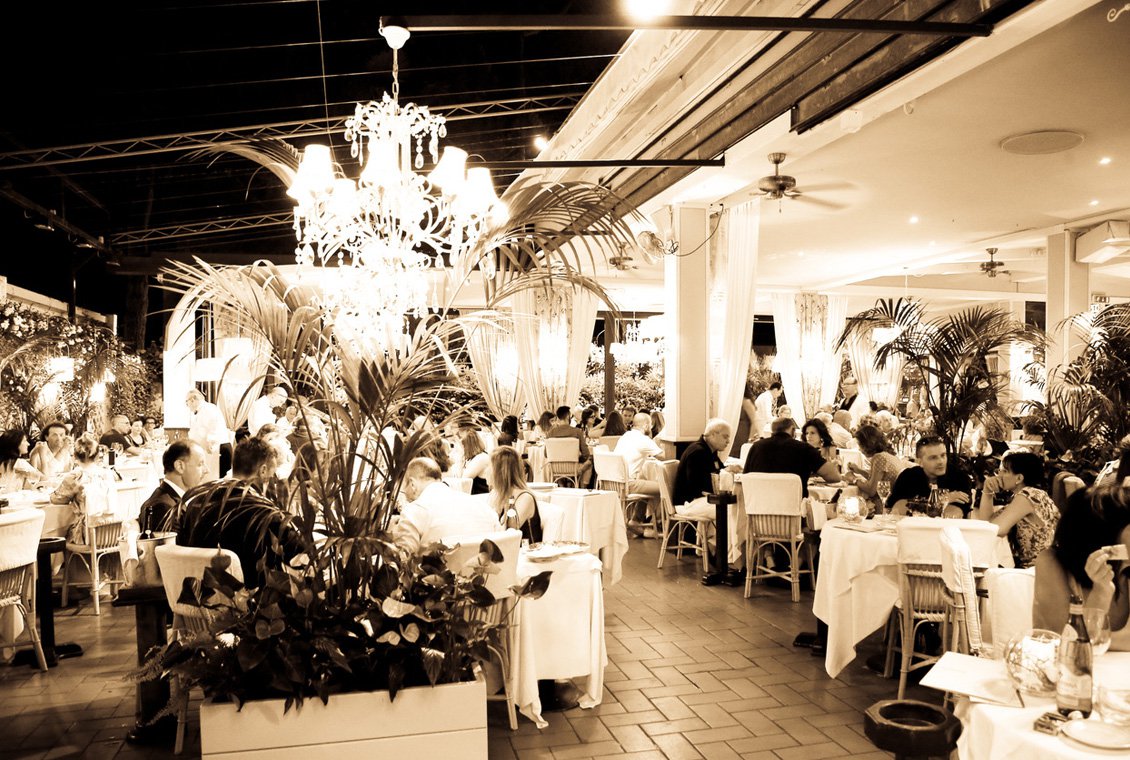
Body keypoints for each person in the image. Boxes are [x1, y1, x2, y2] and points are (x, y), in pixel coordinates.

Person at [175, 437, 300, 588]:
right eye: (271, 476)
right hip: (249, 597)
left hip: (199, 593)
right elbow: (299, 552)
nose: (271, 482)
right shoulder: (262, 510)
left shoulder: (196, 503)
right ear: (263, 470)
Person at [1033, 485, 1130, 650]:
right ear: (1104, 530)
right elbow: (1067, 638)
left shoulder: (1126, 568)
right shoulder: (1051, 562)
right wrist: (1101, 591)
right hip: (1059, 662)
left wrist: (1095, 640)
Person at [394, 457, 501, 555]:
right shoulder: (484, 508)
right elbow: (502, 547)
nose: (406, 495)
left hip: (438, 570)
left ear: (412, 484)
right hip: (483, 569)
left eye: (404, 490)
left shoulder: (413, 512)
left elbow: (402, 561)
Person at [976, 451, 1059, 568]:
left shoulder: (1029, 495)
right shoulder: (1033, 495)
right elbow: (987, 524)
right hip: (1041, 566)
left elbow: (996, 529)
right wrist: (987, 490)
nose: (999, 475)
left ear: (1019, 478)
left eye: (1005, 471)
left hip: (1038, 569)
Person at [744, 417, 840, 498]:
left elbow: (745, 478)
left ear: (772, 430)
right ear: (793, 430)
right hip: (794, 510)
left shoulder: (756, 447)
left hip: (760, 509)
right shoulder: (805, 449)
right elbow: (835, 477)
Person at [887, 436, 972, 517]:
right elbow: (897, 508)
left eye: (943, 455)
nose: (940, 461)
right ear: (920, 462)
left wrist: (915, 506)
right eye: (933, 458)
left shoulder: (960, 478)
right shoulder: (908, 477)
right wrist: (943, 499)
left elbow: (954, 513)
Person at [673, 419, 740, 517]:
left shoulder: (710, 451)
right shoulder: (697, 452)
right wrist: (726, 472)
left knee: (735, 504)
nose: (728, 441)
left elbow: (718, 470)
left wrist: (729, 470)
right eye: (725, 437)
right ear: (713, 435)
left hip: (700, 499)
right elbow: (697, 485)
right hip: (688, 503)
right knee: (733, 510)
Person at [142, 440, 208, 533]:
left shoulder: (170, 499)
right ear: (180, 466)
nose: (207, 470)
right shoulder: (163, 507)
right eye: (200, 464)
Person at [845, 425, 908, 512]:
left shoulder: (879, 457)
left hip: (883, 506)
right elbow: (878, 479)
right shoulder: (889, 455)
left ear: (867, 444)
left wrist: (853, 479)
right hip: (897, 504)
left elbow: (871, 490)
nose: (859, 449)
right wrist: (859, 470)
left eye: (860, 445)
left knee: (849, 506)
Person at [614, 412, 664, 523]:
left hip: (616, 483)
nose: (651, 427)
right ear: (646, 426)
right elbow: (664, 457)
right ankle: (658, 522)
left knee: (645, 481)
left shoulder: (625, 436)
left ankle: (636, 519)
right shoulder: (643, 439)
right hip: (628, 484)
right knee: (666, 487)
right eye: (650, 425)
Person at [489, 446, 542, 543]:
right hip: (506, 548)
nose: (487, 472)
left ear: (500, 473)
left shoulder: (525, 498)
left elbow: (508, 534)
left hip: (524, 550)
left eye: (490, 468)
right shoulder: (496, 494)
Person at [186, 389, 231, 481]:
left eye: (187, 402)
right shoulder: (200, 411)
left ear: (193, 400)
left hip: (218, 450)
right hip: (210, 451)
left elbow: (215, 426)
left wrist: (210, 441)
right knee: (211, 481)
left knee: (219, 482)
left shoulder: (209, 409)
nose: (187, 406)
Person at [545, 405, 593, 487]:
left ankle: (562, 483)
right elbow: (586, 454)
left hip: (556, 469)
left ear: (558, 418)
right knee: (590, 462)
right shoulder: (577, 432)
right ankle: (582, 488)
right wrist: (577, 458)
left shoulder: (550, 433)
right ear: (568, 416)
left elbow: (546, 454)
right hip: (574, 468)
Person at [458, 430, 492, 495]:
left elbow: (463, 480)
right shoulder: (480, 456)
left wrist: (461, 458)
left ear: (468, 446)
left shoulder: (480, 458)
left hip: (482, 496)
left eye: (463, 446)